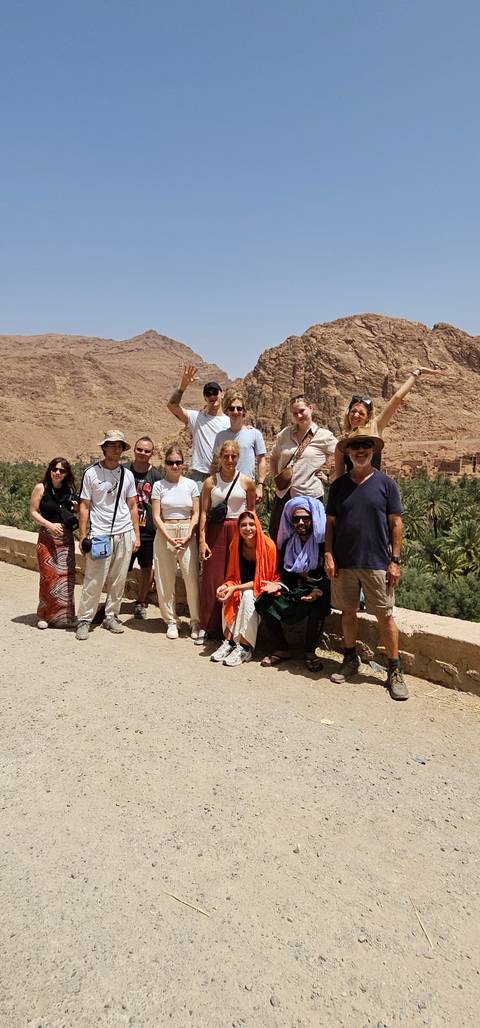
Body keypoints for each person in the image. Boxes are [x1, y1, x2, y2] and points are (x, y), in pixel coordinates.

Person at [324, 429, 408, 700]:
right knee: (347, 612)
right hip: (344, 562)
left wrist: (394, 560)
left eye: (366, 446)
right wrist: (328, 554)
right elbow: (331, 524)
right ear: (347, 452)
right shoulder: (338, 486)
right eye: (355, 446)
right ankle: (350, 659)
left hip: (376, 563)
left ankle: (394, 670)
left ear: (373, 451)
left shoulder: (386, 484)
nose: (360, 450)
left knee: (385, 616)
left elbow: (396, 523)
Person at [75, 430, 140, 641]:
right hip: (100, 534)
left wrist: (136, 535)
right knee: (95, 579)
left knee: (119, 579)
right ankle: (84, 619)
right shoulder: (91, 473)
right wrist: (83, 535)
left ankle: (111, 615)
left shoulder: (127, 475)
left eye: (119, 445)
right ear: (103, 448)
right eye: (111, 445)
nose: (115, 449)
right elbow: (84, 506)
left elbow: (132, 506)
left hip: (124, 532)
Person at [258, 496, 330, 672]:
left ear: (313, 520)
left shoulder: (324, 545)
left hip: (319, 590)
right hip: (295, 589)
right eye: (297, 518)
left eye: (305, 518)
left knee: (317, 606)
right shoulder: (290, 543)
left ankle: (310, 652)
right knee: (264, 600)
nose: (301, 522)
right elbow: (286, 574)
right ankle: (281, 648)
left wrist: (318, 591)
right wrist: (279, 584)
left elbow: (332, 576)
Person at [333, 367, 446, 478]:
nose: (356, 415)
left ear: (368, 417)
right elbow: (339, 478)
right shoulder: (343, 443)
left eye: (361, 413)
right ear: (348, 413)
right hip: (351, 493)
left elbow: (397, 398)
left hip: (374, 489)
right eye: (353, 411)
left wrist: (418, 372)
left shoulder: (375, 427)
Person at [198, 440, 256, 640]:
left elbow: (251, 512)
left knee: (235, 576)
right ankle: (207, 626)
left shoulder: (247, 482)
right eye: (226, 456)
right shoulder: (210, 482)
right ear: (220, 458)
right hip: (215, 531)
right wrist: (202, 541)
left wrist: (251, 536)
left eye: (233, 456)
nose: (230, 460)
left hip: (238, 531)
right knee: (212, 577)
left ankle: (231, 628)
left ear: (238, 458)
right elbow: (204, 513)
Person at [210, 510, 279, 666]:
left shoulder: (268, 546)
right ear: (238, 528)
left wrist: (236, 588)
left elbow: (264, 580)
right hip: (241, 585)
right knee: (227, 591)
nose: (248, 528)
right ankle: (229, 642)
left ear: (257, 526)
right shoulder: (236, 544)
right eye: (243, 525)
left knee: (247, 595)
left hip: (263, 588)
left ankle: (245, 647)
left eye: (251, 524)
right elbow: (232, 576)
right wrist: (227, 586)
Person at [269, 395, 337, 541]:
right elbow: (273, 457)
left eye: (302, 411)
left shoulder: (324, 436)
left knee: (310, 537)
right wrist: (276, 478)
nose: (299, 416)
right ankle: (281, 564)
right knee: (278, 535)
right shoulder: (285, 434)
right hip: (283, 494)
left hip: (309, 495)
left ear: (311, 409)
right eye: (295, 413)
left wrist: (330, 478)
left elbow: (343, 454)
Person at [151, 445, 202, 640]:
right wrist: (169, 537)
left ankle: (195, 621)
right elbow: (156, 515)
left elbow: (196, 512)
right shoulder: (159, 486)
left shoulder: (191, 485)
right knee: (165, 579)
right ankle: (171, 621)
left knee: (191, 579)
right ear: (165, 464)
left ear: (183, 464)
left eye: (178, 462)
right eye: (171, 462)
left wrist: (189, 534)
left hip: (187, 531)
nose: (174, 466)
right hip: (166, 532)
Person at [29, 458, 77, 629]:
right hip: (47, 540)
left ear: (66, 473)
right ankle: (45, 615)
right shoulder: (41, 488)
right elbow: (33, 511)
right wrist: (49, 525)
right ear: (49, 470)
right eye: (54, 469)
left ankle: (65, 616)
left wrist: (76, 508)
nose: (58, 473)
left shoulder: (69, 490)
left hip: (66, 540)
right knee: (48, 578)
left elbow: (73, 512)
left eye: (62, 470)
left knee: (66, 578)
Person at [167, 365, 229, 482]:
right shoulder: (197, 418)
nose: (212, 396)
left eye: (215, 392)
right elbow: (172, 406)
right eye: (208, 394)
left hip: (222, 474)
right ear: (205, 398)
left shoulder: (229, 422)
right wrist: (183, 386)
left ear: (222, 394)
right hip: (199, 476)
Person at [125, 436, 163, 619]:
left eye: (147, 451)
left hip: (148, 531)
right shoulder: (124, 471)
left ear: (152, 453)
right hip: (125, 528)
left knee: (147, 567)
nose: (143, 453)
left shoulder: (156, 476)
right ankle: (112, 602)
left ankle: (141, 601)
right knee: (121, 567)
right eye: (140, 449)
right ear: (134, 450)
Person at [213, 389, 267, 503]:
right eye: (232, 408)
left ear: (244, 411)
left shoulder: (254, 434)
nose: (235, 411)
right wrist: (214, 485)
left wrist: (260, 485)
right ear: (227, 411)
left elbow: (261, 461)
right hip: (223, 489)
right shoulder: (220, 436)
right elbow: (215, 463)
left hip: (247, 488)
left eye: (239, 408)